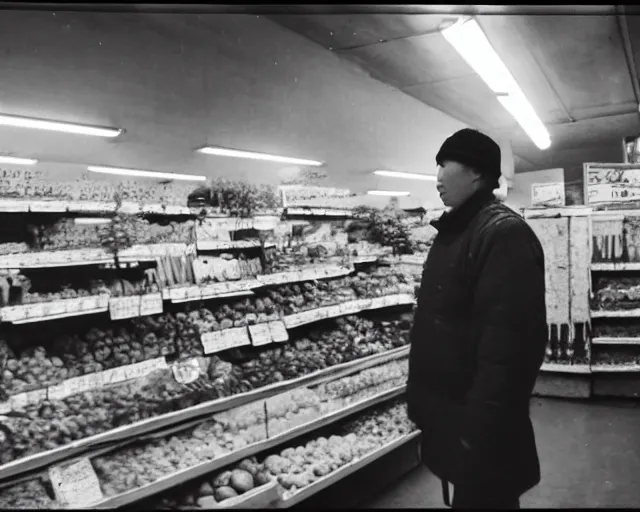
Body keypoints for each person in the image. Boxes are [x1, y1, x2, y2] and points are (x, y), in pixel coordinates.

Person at [407, 128, 547, 509]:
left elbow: (510, 350)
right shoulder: (456, 231)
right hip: (455, 419)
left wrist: (479, 429)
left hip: (481, 430)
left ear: (476, 173)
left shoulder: (503, 235)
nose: (436, 176)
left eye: (444, 164)